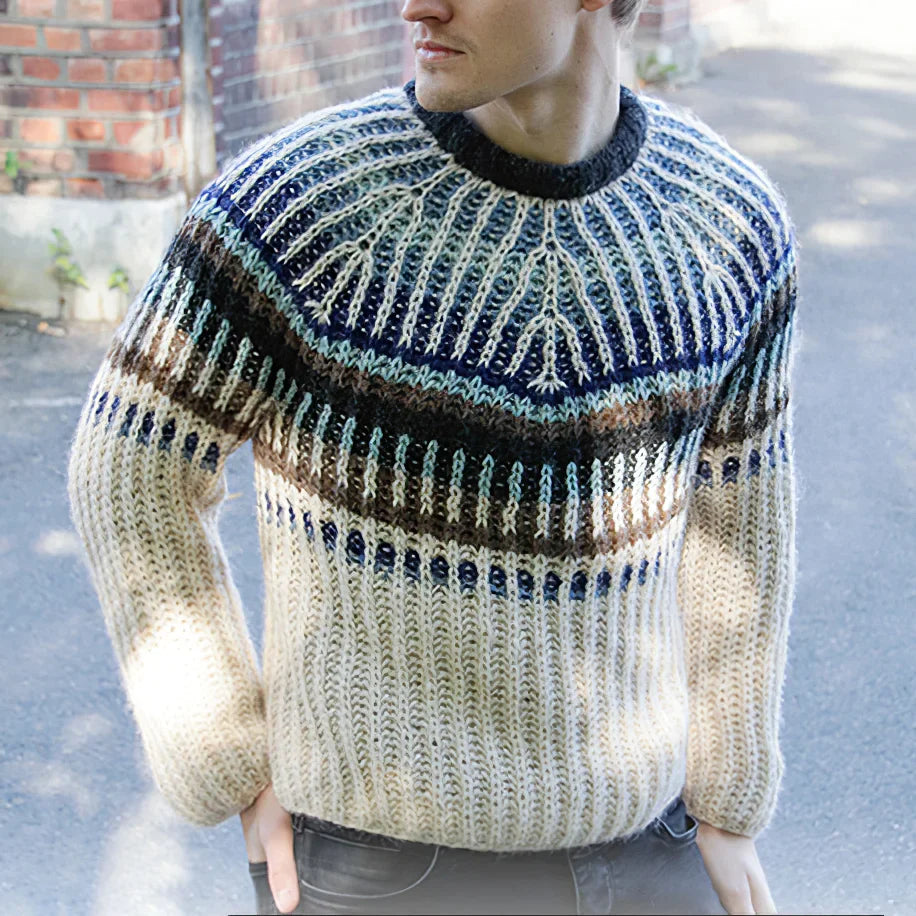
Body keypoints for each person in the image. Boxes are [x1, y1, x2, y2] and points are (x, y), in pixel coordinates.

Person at [66, 0, 800, 913]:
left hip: (647, 855)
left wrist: (727, 800)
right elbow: (131, 464)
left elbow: (741, 520)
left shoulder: (728, 226)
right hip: (383, 872)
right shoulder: (302, 205)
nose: (416, 4)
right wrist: (231, 764)